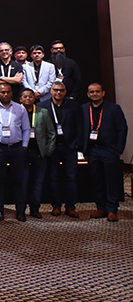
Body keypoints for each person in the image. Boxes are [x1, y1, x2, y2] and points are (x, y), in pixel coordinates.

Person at [0, 83, 32, 221]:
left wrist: (24, 146)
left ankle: (20, 211)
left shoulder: (20, 108)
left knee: (19, 181)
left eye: (8, 92)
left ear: (12, 93)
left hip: (17, 148)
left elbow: (26, 129)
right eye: (3, 92)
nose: (5, 94)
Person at [81, 83, 128, 222]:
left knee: (111, 180)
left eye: (97, 91)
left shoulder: (113, 108)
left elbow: (122, 129)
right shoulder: (84, 109)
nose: (94, 94)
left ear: (103, 93)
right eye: (92, 92)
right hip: (92, 150)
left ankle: (112, 209)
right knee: (96, 180)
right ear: (88, 94)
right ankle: (101, 207)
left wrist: (119, 149)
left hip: (109, 150)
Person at [42, 82, 82, 217]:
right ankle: (56, 206)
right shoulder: (43, 106)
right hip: (52, 147)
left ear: (65, 92)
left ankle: (70, 206)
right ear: (51, 91)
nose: (58, 92)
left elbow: (79, 125)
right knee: (53, 177)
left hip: (69, 146)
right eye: (56, 90)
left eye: (61, 90)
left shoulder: (73, 105)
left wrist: (76, 143)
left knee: (71, 177)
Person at [20, 88, 56, 219]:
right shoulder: (16, 112)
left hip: (39, 153)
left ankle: (35, 209)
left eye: (30, 96)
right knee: (23, 182)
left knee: (37, 183)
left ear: (34, 98)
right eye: (25, 96)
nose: (28, 98)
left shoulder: (43, 112)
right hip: (22, 153)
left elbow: (51, 133)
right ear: (20, 99)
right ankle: (21, 210)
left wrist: (47, 150)